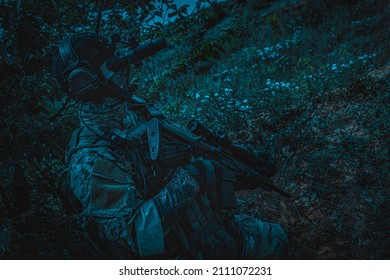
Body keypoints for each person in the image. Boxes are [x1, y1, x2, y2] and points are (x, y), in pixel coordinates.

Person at [52, 32, 288, 259]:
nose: (125, 66)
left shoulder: (135, 109)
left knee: (279, 238)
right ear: (86, 81)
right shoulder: (91, 160)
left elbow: (188, 150)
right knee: (277, 243)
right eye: (113, 63)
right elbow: (137, 235)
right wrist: (193, 177)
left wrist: (238, 163)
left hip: (207, 228)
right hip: (180, 255)